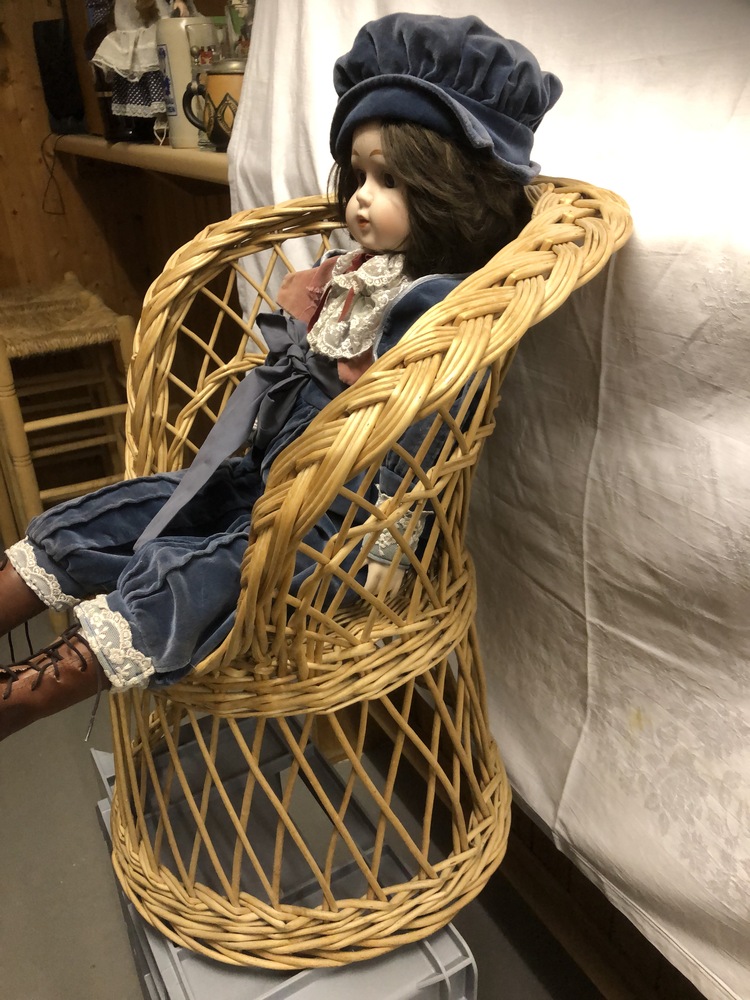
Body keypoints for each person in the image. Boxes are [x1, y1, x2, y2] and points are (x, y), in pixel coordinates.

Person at [0, 13, 561, 741]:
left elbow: (420, 440)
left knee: (201, 572)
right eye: (359, 174)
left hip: (338, 525)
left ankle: (28, 692)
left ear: (448, 189)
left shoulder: (438, 310)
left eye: (390, 180)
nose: (361, 197)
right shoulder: (355, 273)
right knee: (139, 505)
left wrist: (386, 544)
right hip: (268, 475)